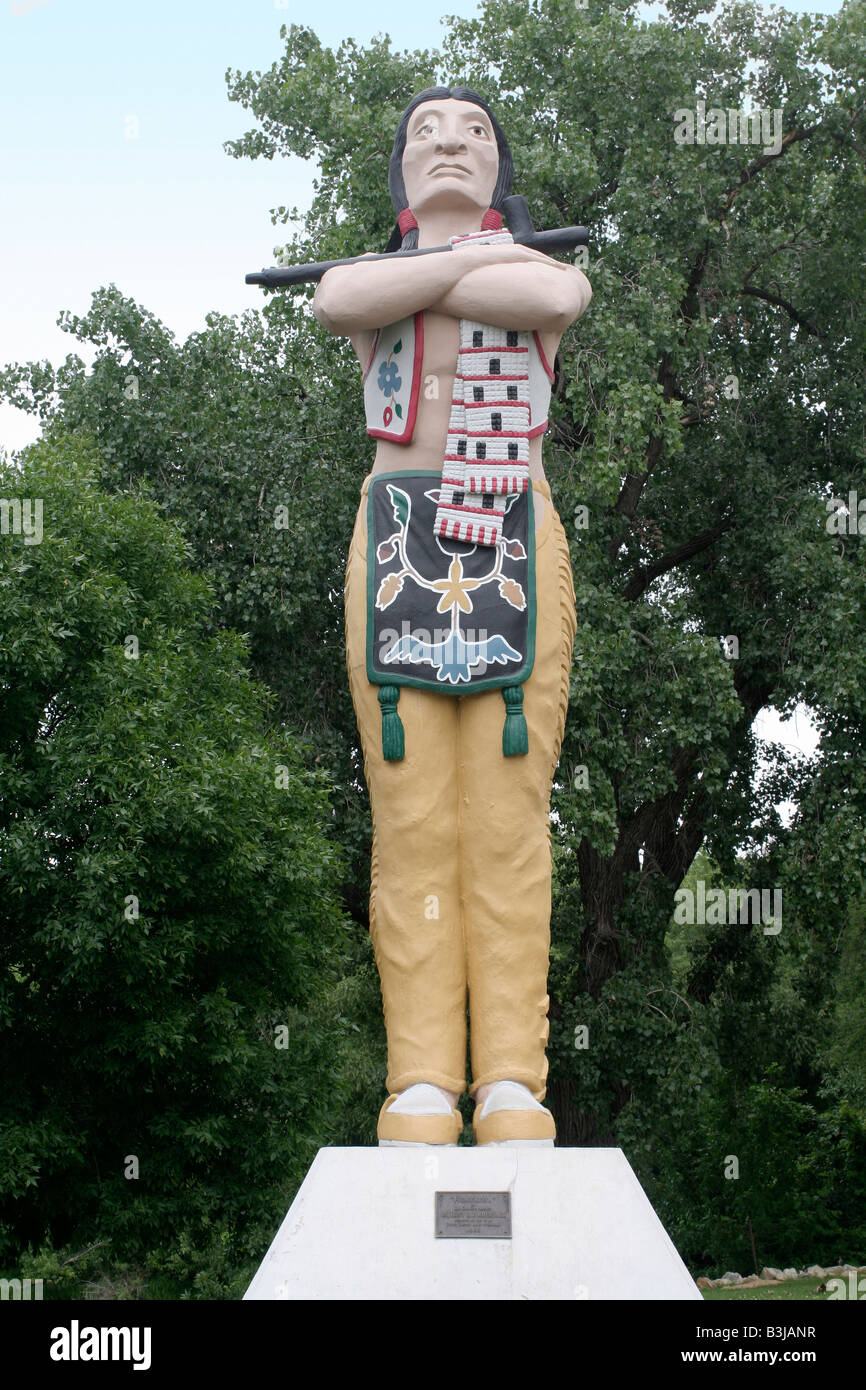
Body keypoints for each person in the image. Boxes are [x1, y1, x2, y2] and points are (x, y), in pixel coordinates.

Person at [313, 86, 591, 1146]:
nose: (448, 141)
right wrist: (467, 261)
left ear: (497, 168)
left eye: (473, 131)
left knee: (507, 819)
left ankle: (513, 1074)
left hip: (513, 538)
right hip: (394, 544)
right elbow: (339, 301)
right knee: (412, 819)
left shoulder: (535, 275)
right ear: (398, 168)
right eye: (426, 130)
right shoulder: (375, 280)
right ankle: (421, 1077)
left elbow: (560, 296)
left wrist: (444, 267)